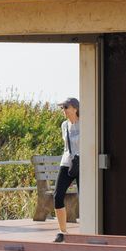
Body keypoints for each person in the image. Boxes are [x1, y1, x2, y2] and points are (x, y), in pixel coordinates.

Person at [53, 97, 81, 237]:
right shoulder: (64, 125)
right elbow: (66, 146)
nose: (63, 110)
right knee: (58, 195)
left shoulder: (85, 123)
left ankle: (89, 229)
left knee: (85, 197)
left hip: (83, 164)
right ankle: (62, 231)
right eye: (62, 108)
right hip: (67, 162)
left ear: (75, 108)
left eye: (65, 107)